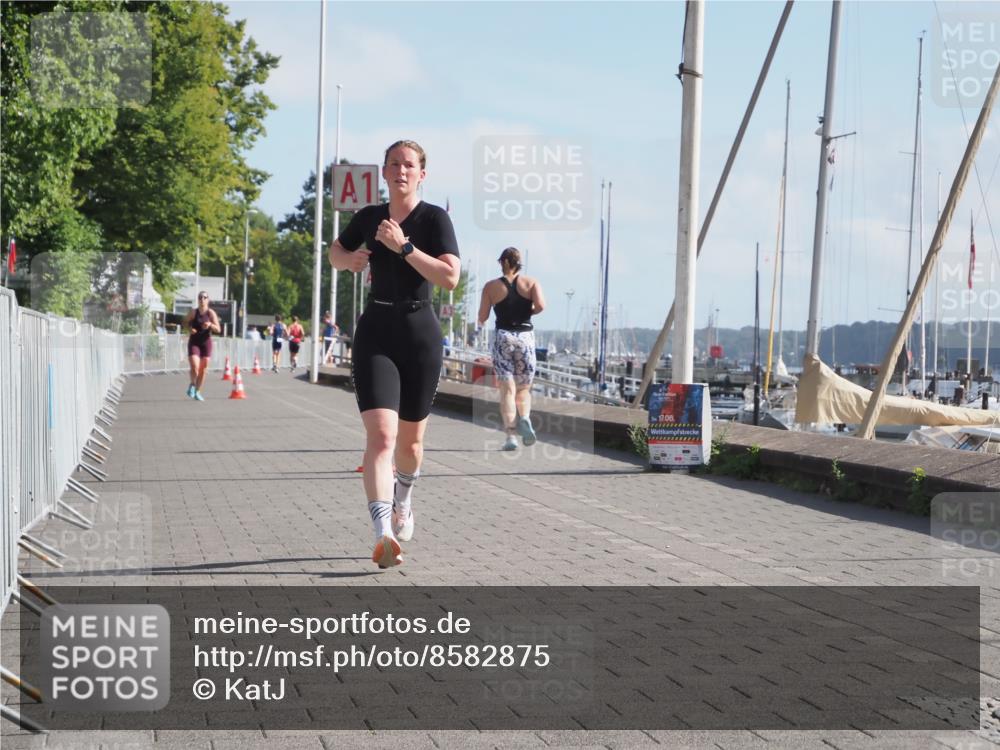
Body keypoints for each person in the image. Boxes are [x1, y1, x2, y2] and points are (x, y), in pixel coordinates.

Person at [328, 139, 460, 569]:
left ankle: (404, 496)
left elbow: (450, 277)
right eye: (394, 165)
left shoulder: (434, 218)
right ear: (383, 173)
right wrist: (349, 261)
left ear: (422, 174)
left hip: (420, 333)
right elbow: (335, 251)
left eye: (409, 165)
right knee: (381, 438)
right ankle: (383, 533)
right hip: (376, 332)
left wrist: (404, 247)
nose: (401, 171)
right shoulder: (368, 217)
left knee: (411, 444)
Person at [477, 247, 546, 450]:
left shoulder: (490, 287)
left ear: (504, 262)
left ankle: (510, 437)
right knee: (523, 388)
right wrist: (527, 311)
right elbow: (541, 305)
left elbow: (483, 316)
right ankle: (524, 416)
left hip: (503, 337)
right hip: (525, 337)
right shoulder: (531, 282)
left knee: (507, 390)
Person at [183, 292, 221, 401]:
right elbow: (185, 322)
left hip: (206, 343)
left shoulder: (211, 313)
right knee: (195, 366)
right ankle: (192, 384)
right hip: (194, 342)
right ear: (198, 300)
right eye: (200, 297)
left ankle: (197, 391)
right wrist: (190, 329)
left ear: (208, 300)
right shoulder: (193, 312)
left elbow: (218, 329)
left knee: (203, 369)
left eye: (205, 297)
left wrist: (210, 325)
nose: (202, 299)